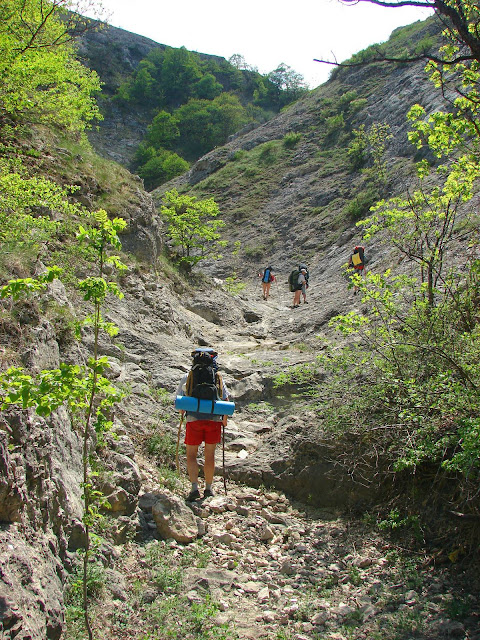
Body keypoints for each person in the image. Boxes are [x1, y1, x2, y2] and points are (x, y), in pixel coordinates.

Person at [176, 347, 230, 501]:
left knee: (191, 455)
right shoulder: (217, 376)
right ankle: (208, 488)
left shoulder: (189, 375)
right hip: (214, 420)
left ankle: (194, 489)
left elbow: (180, 406)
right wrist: (224, 420)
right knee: (210, 455)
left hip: (194, 419)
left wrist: (184, 413)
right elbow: (225, 399)